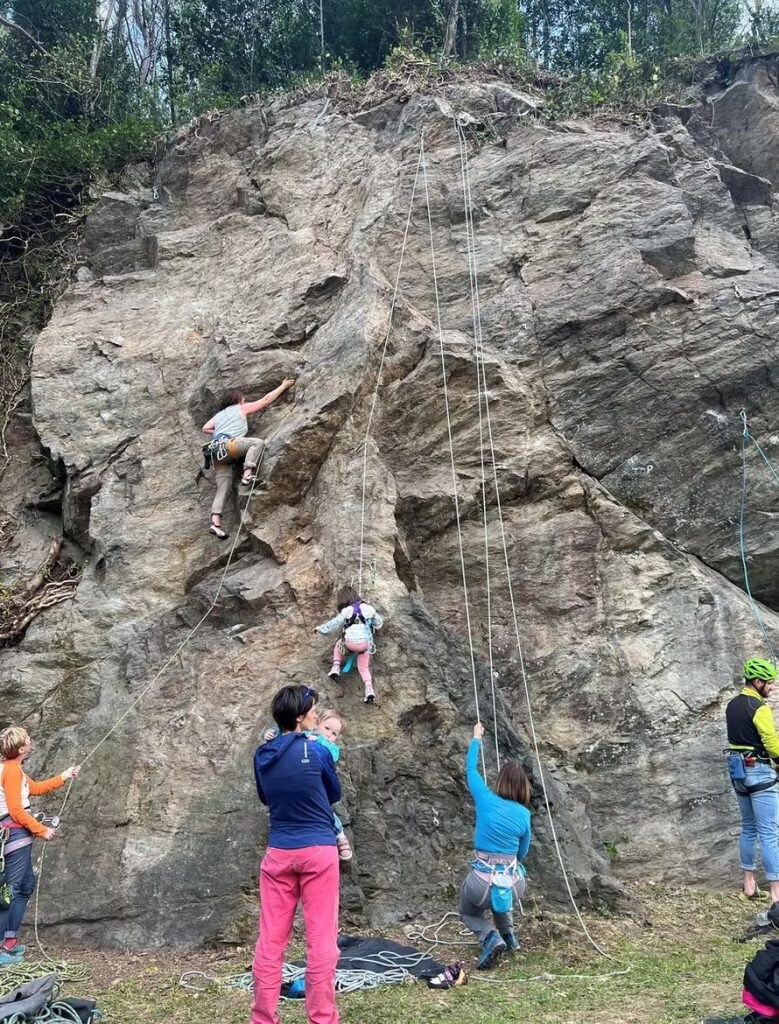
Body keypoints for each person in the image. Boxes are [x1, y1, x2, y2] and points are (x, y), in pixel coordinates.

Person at [251, 685, 341, 1024]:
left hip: (279, 852)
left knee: (270, 941)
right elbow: (334, 793)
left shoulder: (262, 754)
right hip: (318, 851)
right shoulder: (317, 752)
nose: (317, 715)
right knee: (321, 942)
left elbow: (264, 797)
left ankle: (262, 1018)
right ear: (300, 717)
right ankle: (322, 1018)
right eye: (313, 710)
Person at [0, 727, 81, 965]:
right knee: (10, 890)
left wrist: (64, 776)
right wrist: (42, 830)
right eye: (27, 739)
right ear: (22, 748)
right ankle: (3, 948)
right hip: (14, 834)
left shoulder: (12, 769)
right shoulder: (12, 771)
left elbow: (34, 789)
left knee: (25, 884)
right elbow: (16, 810)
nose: (30, 740)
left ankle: (10, 940)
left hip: (15, 834)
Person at [459, 722, 531, 970]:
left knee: (468, 912)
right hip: (514, 884)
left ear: (500, 781)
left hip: (481, 882)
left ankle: (491, 937)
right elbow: (522, 854)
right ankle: (509, 937)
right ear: (523, 788)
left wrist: (476, 738)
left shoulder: (485, 798)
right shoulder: (524, 815)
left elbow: (470, 770)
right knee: (503, 893)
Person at [201, 378, 295, 540]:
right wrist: (283, 386)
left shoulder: (218, 415)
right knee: (257, 443)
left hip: (215, 451)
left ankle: (215, 523)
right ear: (238, 399)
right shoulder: (240, 408)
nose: (244, 400)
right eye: (243, 398)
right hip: (229, 446)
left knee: (223, 487)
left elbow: (205, 428)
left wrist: (219, 432)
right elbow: (265, 400)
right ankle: (247, 474)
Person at [262, 708, 352, 861]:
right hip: (295, 782)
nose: (329, 734)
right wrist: (271, 733)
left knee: (325, 810)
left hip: (317, 788)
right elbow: (287, 734)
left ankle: (340, 834)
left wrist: (319, 742)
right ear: (317, 723)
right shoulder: (304, 733)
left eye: (334, 734)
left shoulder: (326, 746)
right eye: (327, 728)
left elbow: (333, 754)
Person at [726, 658, 779, 905]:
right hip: (759, 772)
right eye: (769, 683)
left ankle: (749, 885)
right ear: (757, 682)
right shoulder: (759, 707)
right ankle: (777, 895)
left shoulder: (732, 706)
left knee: (749, 828)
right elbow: (770, 743)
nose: (771, 687)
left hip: (738, 773)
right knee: (770, 833)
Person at [315, 587, 384, 704]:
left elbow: (335, 623)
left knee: (338, 644)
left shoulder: (346, 611)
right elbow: (379, 623)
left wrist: (320, 629)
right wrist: (373, 626)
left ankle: (335, 667)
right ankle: (369, 690)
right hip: (365, 645)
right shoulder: (369, 608)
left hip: (350, 643)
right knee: (364, 668)